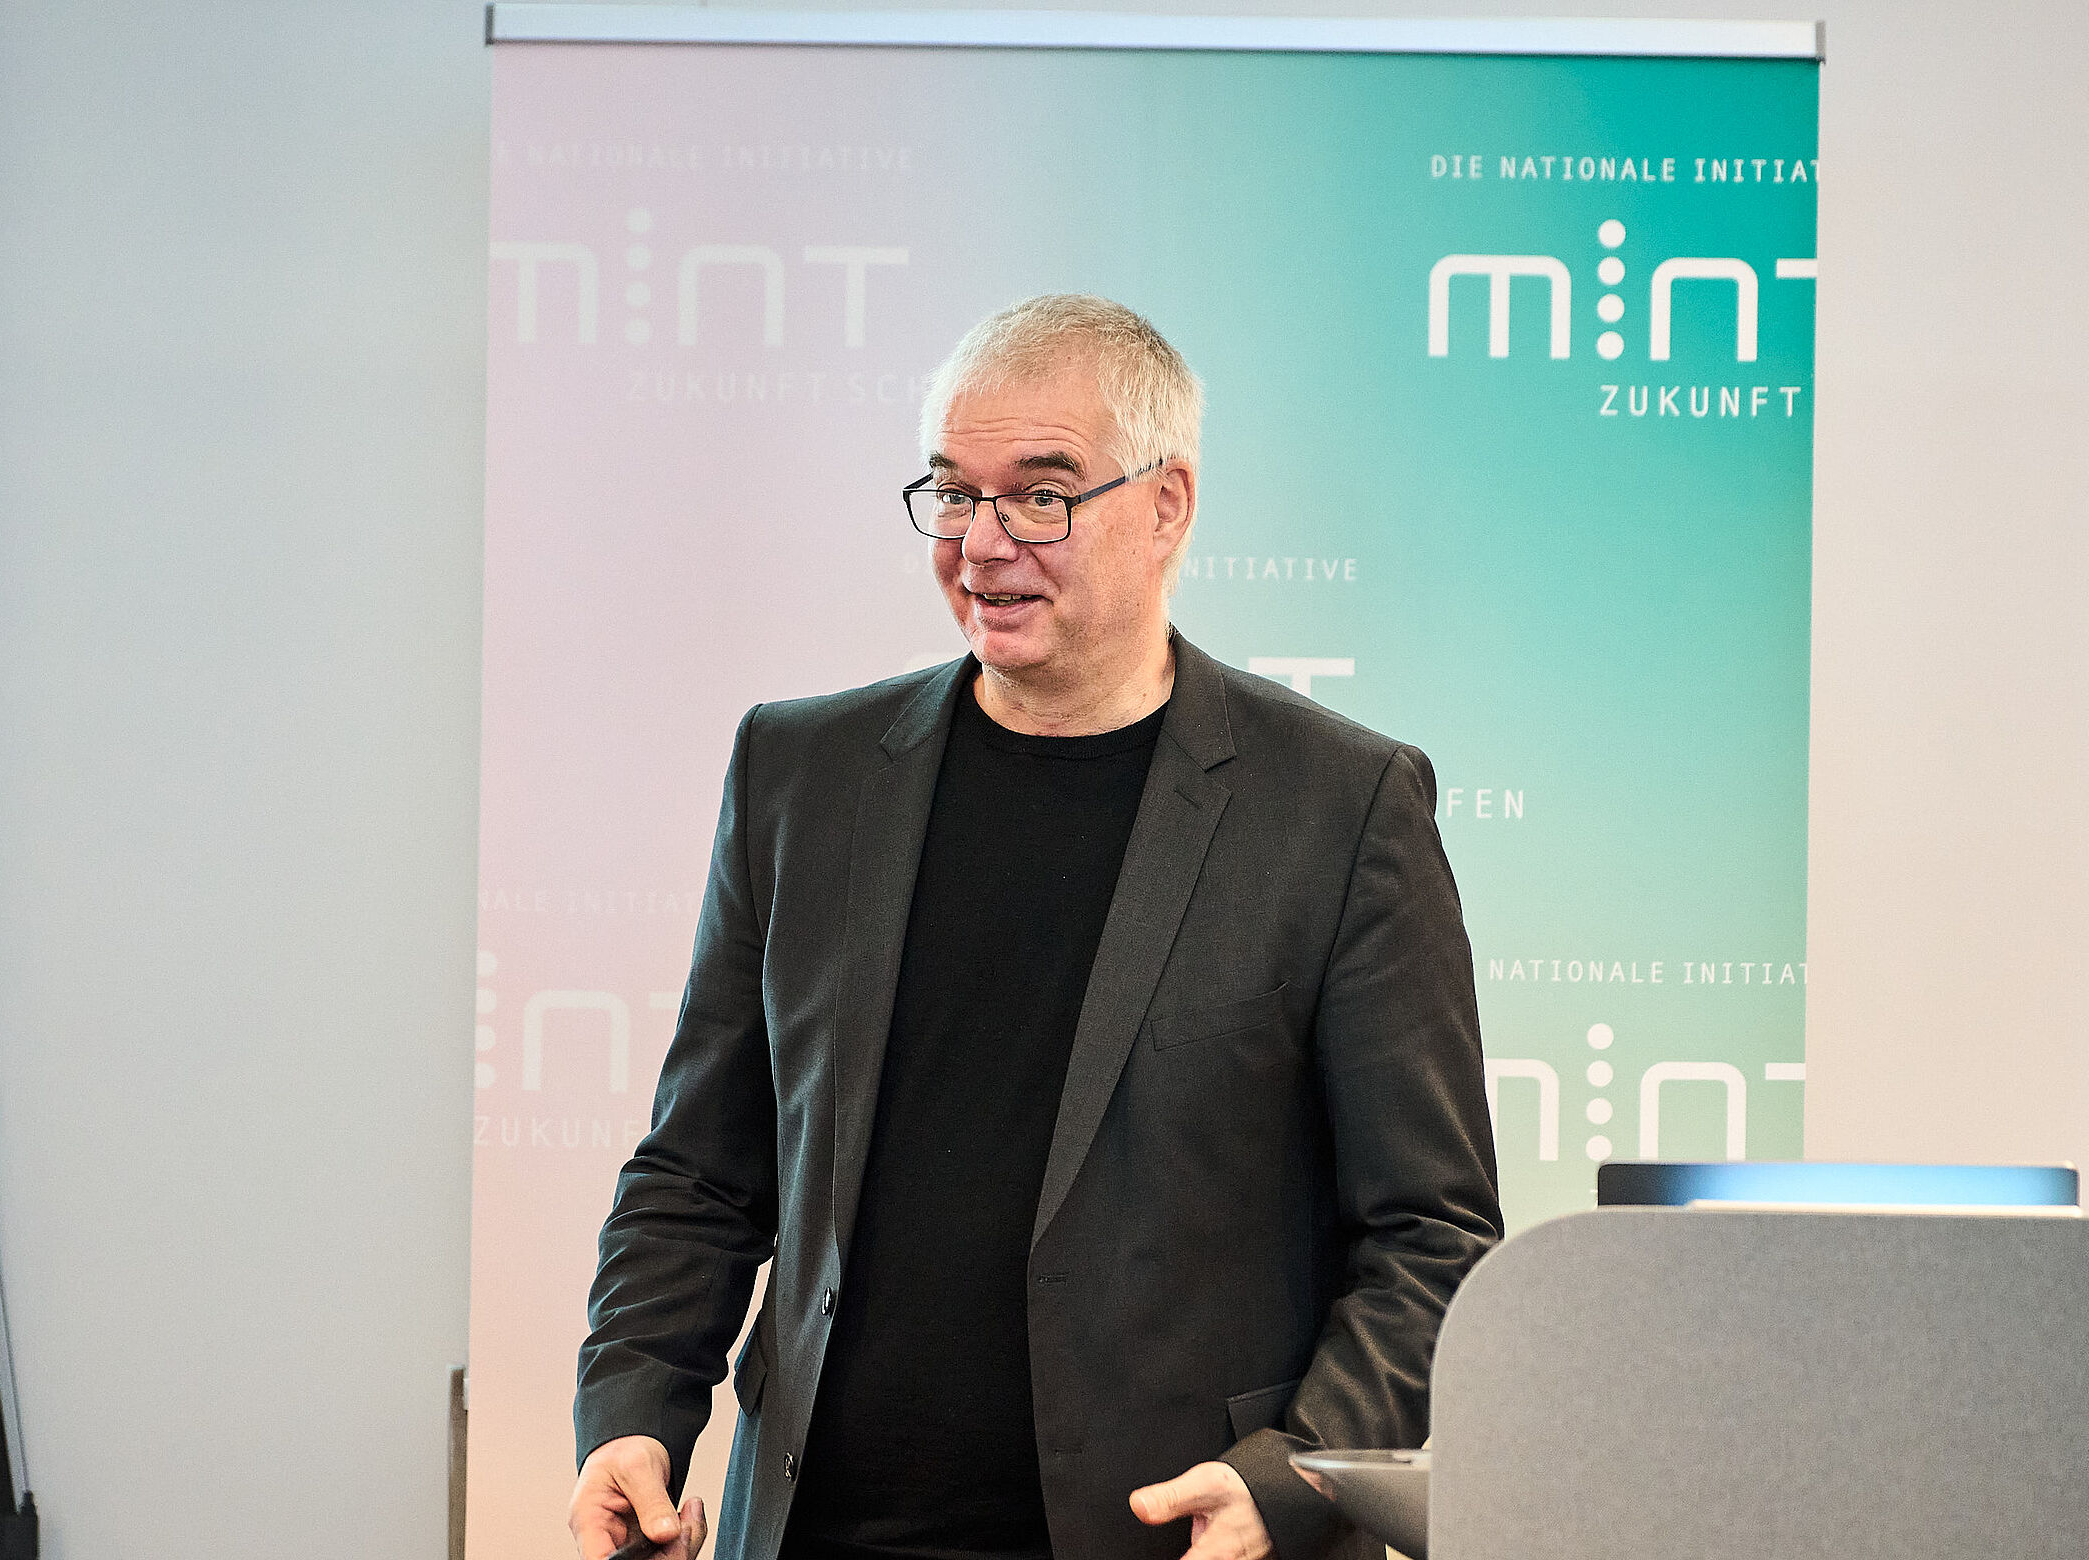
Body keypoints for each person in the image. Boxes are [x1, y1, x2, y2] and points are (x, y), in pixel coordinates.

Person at [568, 294, 1501, 1560]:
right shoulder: (800, 772)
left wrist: (1289, 1478)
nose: (983, 542)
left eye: (1041, 496)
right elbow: (699, 1170)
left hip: (1171, 1541)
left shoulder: (1341, 806)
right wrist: (633, 1413)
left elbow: (1431, 1235)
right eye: (955, 493)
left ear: (1166, 505)